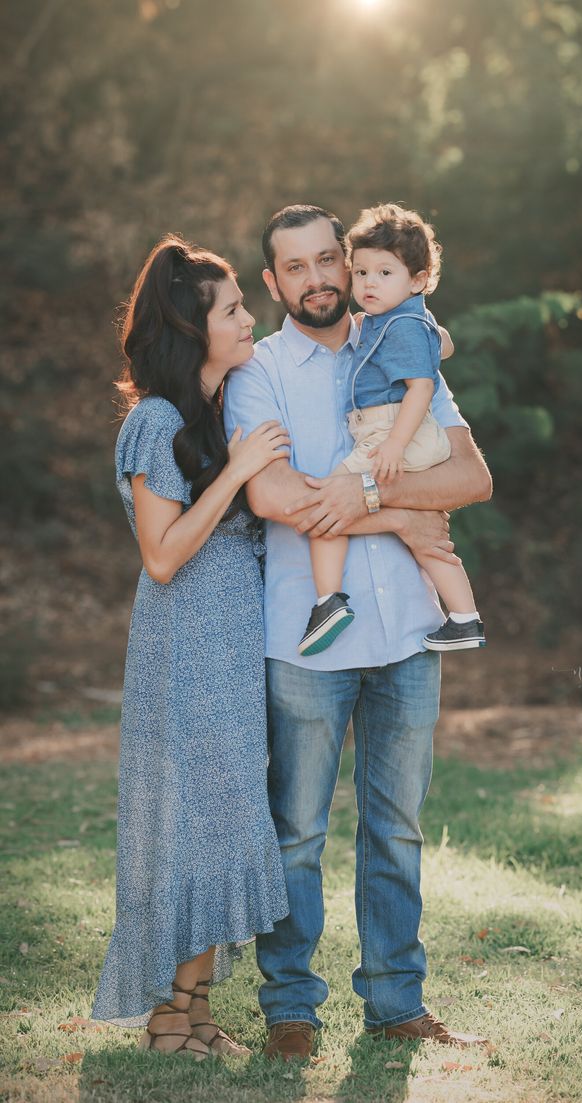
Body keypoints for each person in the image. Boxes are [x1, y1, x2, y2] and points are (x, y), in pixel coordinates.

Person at [224, 204, 493, 1060]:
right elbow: (271, 498)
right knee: (295, 828)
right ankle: (291, 1009)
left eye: (326, 259)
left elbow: (470, 476)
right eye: (292, 266)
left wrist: (371, 504)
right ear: (272, 283)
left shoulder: (401, 338)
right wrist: (402, 520)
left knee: (396, 825)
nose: (316, 278)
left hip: (411, 628)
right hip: (308, 638)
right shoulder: (258, 372)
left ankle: (395, 1001)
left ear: (350, 262)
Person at [91, 234, 291, 1059]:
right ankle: (173, 1015)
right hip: (185, 653)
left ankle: (194, 1012)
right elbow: (163, 554)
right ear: (191, 327)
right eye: (235, 308)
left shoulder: (215, 414)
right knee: (197, 824)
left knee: (223, 822)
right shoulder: (158, 420)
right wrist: (237, 472)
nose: (250, 318)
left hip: (234, 648)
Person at [299, 203, 486, 657]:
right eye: (360, 272)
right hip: (397, 430)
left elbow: (421, 387)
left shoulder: (400, 324)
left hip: (393, 430)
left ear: (419, 280)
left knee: (326, 511)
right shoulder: (400, 318)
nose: (368, 284)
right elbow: (440, 343)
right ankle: (465, 617)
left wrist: (394, 447)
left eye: (384, 273)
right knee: (430, 538)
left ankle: (327, 602)